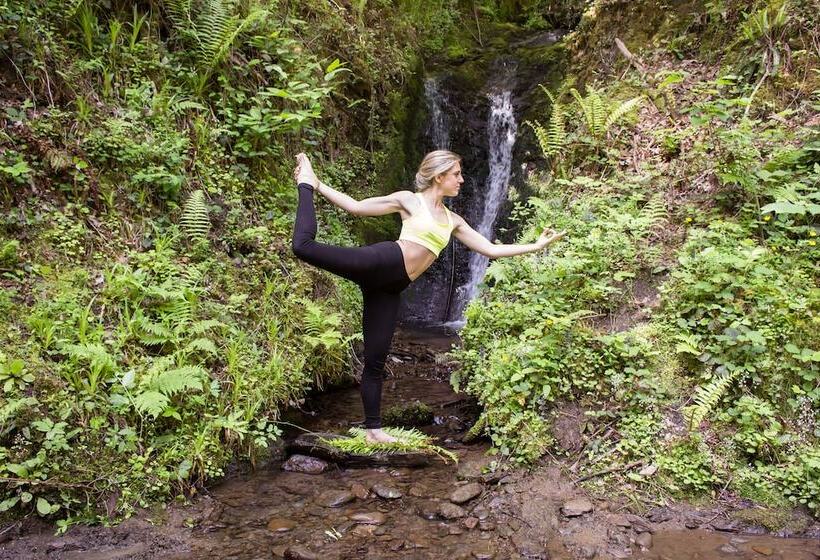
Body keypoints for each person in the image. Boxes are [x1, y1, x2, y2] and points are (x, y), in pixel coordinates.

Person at [292, 150, 566, 443]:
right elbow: (357, 207)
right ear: (439, 177)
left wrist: (535, 246)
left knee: (375, 359)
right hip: (382, 261)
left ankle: (374, 431)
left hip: (389, 288)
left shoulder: (453, 221)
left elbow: (491, 249)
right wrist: (317, 186)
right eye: (456, 174)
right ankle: (305, 184)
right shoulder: (410, 200)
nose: (461, 179)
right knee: (303, 246)